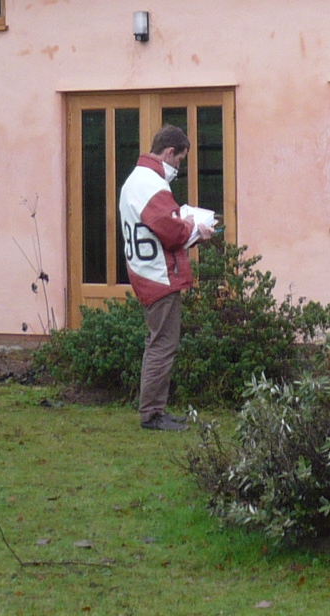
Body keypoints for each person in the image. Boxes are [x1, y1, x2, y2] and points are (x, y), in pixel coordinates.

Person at [118, 125, 213, 430]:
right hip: (159, 275)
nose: (178, 168)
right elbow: (169, 232)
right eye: (180, 160)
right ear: (170, 153)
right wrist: (192, 227)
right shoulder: (152, 183)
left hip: (146, 271)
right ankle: (152, 414)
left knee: (158, 342)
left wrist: (186, 229)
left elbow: (158, 228)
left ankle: (154, 410)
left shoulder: (135, 181)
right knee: (162, 345)